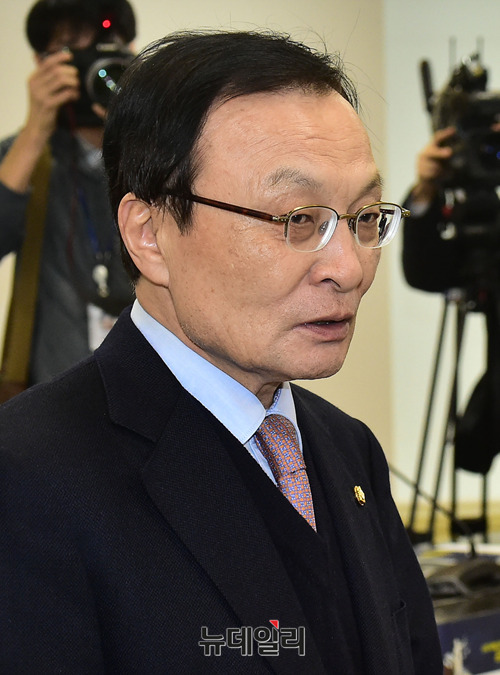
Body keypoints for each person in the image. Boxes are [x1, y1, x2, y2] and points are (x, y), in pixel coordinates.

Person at [0, 30, 443, 673]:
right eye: (298, 219)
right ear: (150, 235)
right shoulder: (30, 477)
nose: (348, 268)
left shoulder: (348, 450)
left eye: (364, 216)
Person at [0, 0, 136, 389]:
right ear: (42, 64)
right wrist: (35, 130)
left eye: (106, 50)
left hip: (150, 392)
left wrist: (146, 126)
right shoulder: (23, 158)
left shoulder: (162, 157)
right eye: (73, 51)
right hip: (51, 392)